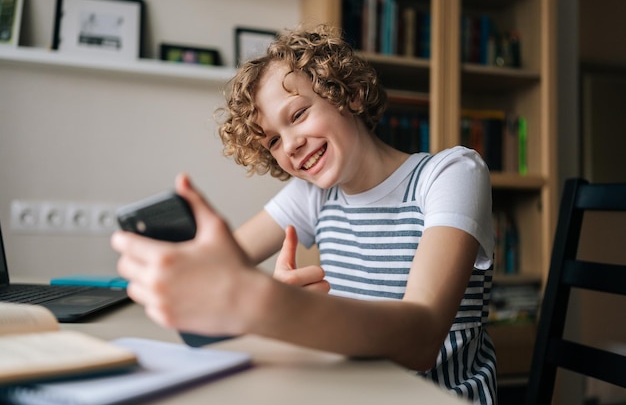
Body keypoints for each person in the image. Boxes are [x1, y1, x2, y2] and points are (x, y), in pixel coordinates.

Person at [112, 24, 497, 404]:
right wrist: (187, 270)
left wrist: (279, 307)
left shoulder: (449, 174)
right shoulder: (315, 195)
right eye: (274, 140)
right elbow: (220, 268)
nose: (291, 145)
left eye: (297, 115)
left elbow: (421, 338)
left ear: (352, 96)